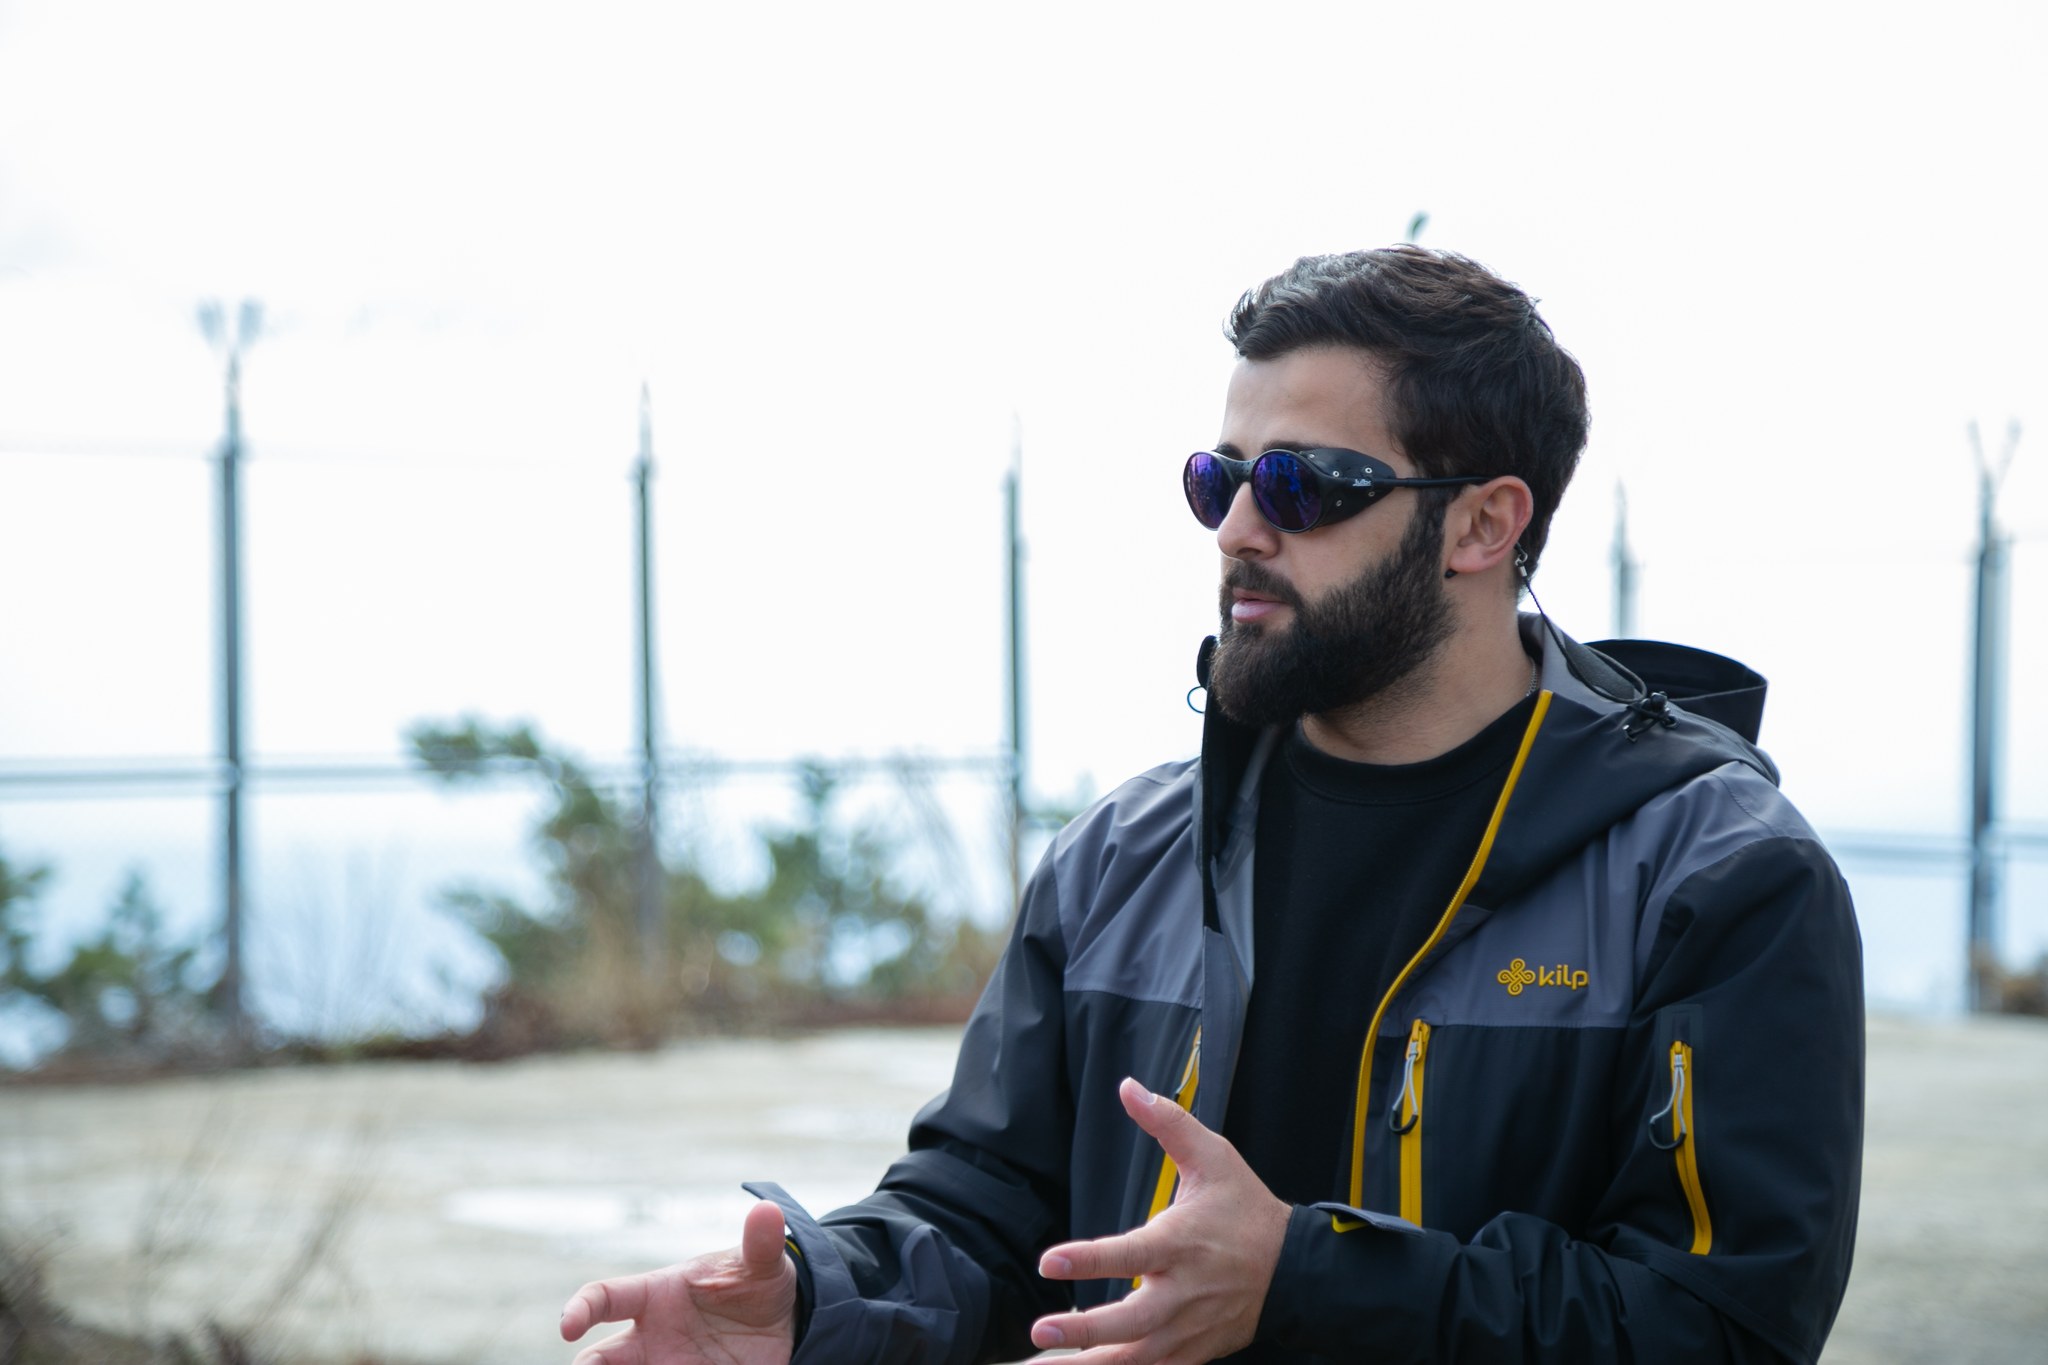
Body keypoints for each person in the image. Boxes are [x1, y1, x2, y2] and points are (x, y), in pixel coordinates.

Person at [561, 247, 1863, 1365]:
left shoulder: (1715, 881)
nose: (1237, 527)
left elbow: (1720, 1328)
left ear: (1481, 525)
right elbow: (990, 1208)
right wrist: (814, 1302)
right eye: (1216, 478)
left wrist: (1304, 1279)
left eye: (1302, 487)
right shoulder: (1121, 858)